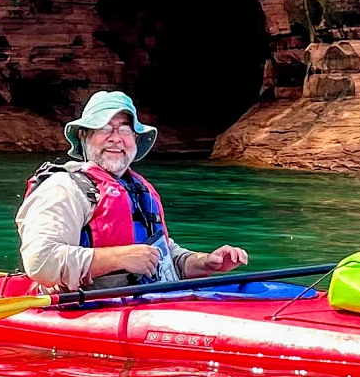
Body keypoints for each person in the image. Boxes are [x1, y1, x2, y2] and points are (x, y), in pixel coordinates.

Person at [15, 90, 249, 291]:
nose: (115, 138)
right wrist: (120, 257)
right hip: (83, 308)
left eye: (125, 130)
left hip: (146, 302)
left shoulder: (137, 189)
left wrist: (207, 263)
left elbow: (162, 257)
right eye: (104, 128)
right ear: (84, 137)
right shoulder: (64, 187)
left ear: (135, 141)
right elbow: (41, 262)